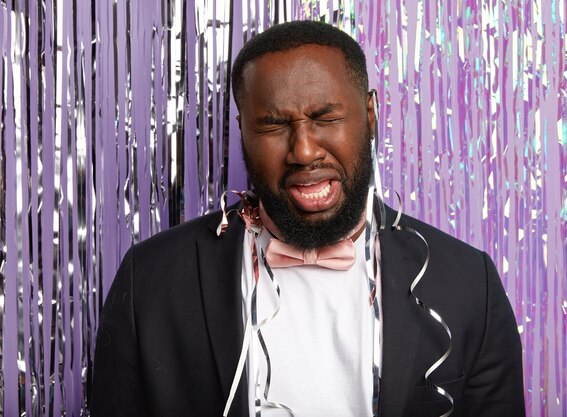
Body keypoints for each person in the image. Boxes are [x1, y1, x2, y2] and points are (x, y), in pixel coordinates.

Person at [90, 20, 525, 417]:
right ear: (242, 129)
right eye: (273, 125)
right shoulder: (149, 279)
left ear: (370, 115)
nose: (303, 151)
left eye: (326, 118)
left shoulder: (469, 283)